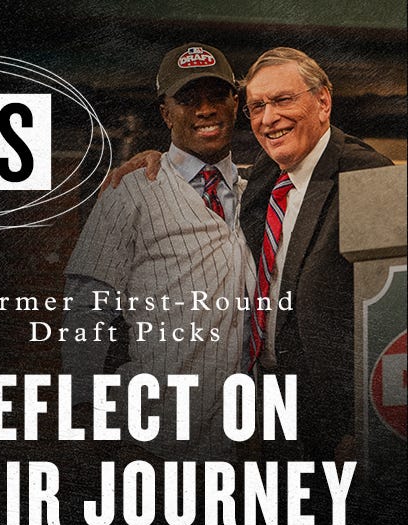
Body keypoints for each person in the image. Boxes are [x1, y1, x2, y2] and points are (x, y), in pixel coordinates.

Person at [107, 47, 393, 461]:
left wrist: (365, 428)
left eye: (283, 100)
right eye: (258, 106)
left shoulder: (366, 176)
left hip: (337, 430)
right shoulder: (264, 175)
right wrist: (157, 161)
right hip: (267, 412)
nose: (269, 118)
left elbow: (394, 318)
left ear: (323, 101)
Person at [63, 44, 255, 460]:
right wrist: (80, 417)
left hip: (240, 445)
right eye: (188, 99)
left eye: (216, 96)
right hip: (149, 440)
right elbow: (85, 308)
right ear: (166, 113)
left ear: (235, 104)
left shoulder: (256, 195)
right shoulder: (129, 190)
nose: (205, 109)